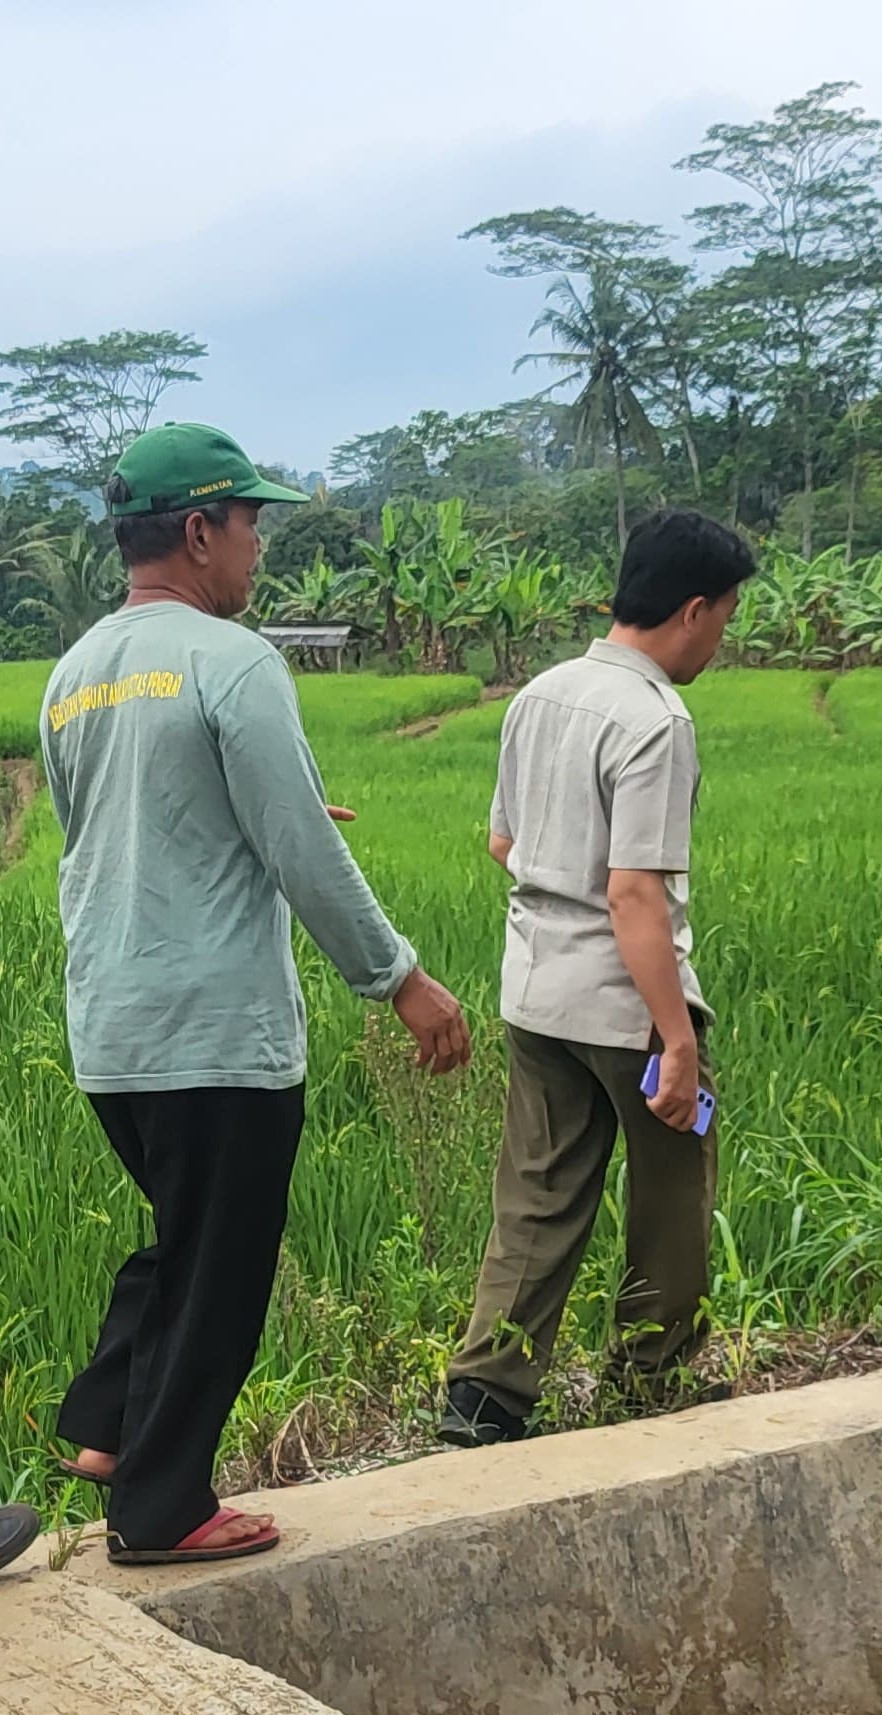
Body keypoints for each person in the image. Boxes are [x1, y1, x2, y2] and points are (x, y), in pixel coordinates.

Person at [40, 422, 470, 1564]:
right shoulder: (236, 662)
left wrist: (265, 817)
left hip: (115, 1027)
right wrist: (403, 981)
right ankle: (161, 1504)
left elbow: (118, 829)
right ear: (197, 531)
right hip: (216, 1029)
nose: (258, 549)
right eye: (251, 524)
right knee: (225, 1262)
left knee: (188, 1228)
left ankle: (102, 1423)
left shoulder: (75, 673)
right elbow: (302, 854)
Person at [440, 508, 755, 1446]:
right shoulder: (655, 718)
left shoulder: (540, 693)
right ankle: (650, 1380)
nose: (722, 637)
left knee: (537, 1194)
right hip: (625, 1008)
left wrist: (556, 901)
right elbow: (633, 897)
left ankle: (485, 1397)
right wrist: (679, 1038)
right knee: (671, 1190)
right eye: (727, 617)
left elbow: (504, 841)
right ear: (693, 610)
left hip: (535, 994)